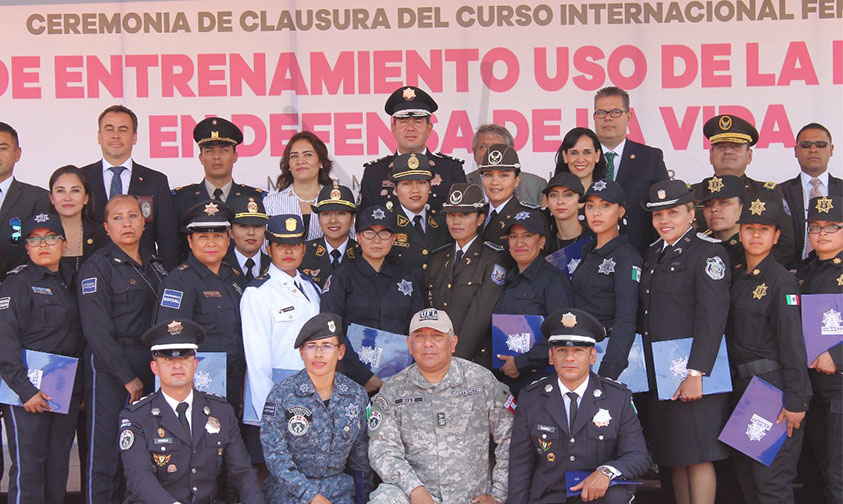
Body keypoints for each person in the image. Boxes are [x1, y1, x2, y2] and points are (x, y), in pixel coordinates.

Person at [639, 180, 731, 504]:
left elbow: (712, 318)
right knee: (674, 456)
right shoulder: (653, 253)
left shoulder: (708, 253)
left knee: (698, 455)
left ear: (692, 213)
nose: (665, 220)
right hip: (663, 376)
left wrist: (696, 374)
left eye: (674, 212)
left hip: (693, 375)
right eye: (658, 214)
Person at [367, 308, 513, 504]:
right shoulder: (393, 390)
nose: (428, 343)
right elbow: (382, 449)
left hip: (471, 497)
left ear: (453, 343)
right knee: (384, 499)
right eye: (420, 336)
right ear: (410, 345)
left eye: (437, 335)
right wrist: (415, 489)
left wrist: (499, 495)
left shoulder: (482, 381)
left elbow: (510, 438)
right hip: (416, 496)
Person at [78, 195, 168, 504]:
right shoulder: (97, 268)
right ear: (106, 227)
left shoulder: (156, 265)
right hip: (111, 370)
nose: (127, 222)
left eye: (133, 216)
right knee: (104, 454)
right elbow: (96, 331)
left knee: (143, 455)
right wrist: (126, 377)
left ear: (144, 223)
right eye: (118, 218)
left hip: (152, 368)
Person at [508, 309, 650, 504]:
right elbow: (520, 464)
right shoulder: (531, 398)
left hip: (598, 496)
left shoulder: (617, 398)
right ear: (551, 356)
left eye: (578, 351)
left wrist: (606, 472)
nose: (569, 358)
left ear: (592, 356)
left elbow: (638, 456)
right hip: (549, 496)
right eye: (561, 351)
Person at [118, 319, 263, 504]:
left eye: (184, 358)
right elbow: (139, 478)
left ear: (195, 364)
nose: (177, 365)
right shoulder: (136, 417)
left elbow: (242, 472)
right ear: (155, 367)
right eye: (168, 359)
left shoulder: (221, 411)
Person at [726, 195, 811, 504]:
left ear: (776, 236)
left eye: (764, 229)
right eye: (749, 228)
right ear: (740, 232)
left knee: (770, 482)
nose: (756, 235)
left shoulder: (780, 282)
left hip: (772, 391)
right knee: (748, 480)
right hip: (742, 388)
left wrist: (796, 399)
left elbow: (793, 343)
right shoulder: (738, 277)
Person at [0, 212, 83, 503]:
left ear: (63, 242)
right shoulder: (17, 283)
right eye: (34, 239)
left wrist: (79, 389)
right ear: (26, 246)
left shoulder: (73, 281)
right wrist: (26, 391)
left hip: (64, 390)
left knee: (57, 468)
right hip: (27, 392)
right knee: (29, 470)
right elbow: (4, 341)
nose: (42, 244)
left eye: (50, 237)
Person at [260, 313, 371, 503]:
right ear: (301, 353)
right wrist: (311, 496)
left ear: (340, 352)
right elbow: (276, 458)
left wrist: (364, 497)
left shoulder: (356, 395)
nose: (319, 354)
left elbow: (361, 460)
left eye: (327, 346)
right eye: (312, 347)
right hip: (290, 492)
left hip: (339, 491)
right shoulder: (282, 394)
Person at [320, 205, 423, 391]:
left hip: (401, 381)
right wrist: (364, 377)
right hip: (351, 383)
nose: (377, 240)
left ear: (393, 239)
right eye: (369, 233)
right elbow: (332, 331)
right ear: (358, 237)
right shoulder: (341, 278)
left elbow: (417, 329)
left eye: (384, 234)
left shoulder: (407, 278)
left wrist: (406, 372)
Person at [156, 201, 246, 411]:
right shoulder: (179, 282)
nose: (211, 243)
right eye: (203, 237)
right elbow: (172, 341)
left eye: (218, 236)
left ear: (228, 238)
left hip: (236, 380)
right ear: (190, 241)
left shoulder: (233, 277)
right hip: (202, 381)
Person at [240, 214, 320, 425]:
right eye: (281, 244)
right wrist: (270, 412)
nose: (288, 251)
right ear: (268, 249)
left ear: (304, 248)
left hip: (313, 394)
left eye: (294, 244)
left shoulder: (312, 288)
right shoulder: (258, 293)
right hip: (277, 397)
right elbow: (257, 361)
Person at [80, 105, 179, 270]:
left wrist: (167, 283)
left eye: (123, 130)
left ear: (134, 137)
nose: (116, 135)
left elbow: (168, 241)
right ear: (99, 136)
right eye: (109, 129)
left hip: (143, 277)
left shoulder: (156, 181)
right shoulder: (81, 179)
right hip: (93, 274)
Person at [694, 114, 795, 268]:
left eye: (736, 147)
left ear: (749, 156)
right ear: (711, 155)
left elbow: (785, 245)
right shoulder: (692, 194)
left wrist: (752, 273)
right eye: (721, 147)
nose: (728, 151)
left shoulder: (768, 193)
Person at [493, 208, 575, 394]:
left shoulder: (553, 281)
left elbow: (563, 334)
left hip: (539, 385)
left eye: (527, 236)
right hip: (505, 382)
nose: (519, 243)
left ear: (542, 242)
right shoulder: (508, 278)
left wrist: (521, 363)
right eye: (513, 237)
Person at [425, 183, 506, 367]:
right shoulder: (437, 258)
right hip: (435, 360)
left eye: (464, 215)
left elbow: (479, 316)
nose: (456, 221)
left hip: (473, 362)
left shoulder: (493, 259)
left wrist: (454, 361)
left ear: (480, 219)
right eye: (451, 215)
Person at [796, 194, 843, 504]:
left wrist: (837, 356)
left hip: (839, 386)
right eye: (814, 227)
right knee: (812, 471)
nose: (821, 234)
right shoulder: (804, 270)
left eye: (832, 226)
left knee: (838, 474)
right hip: (807, 386)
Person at [573, 180, 643, 381]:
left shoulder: (627, 257)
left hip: (607, 358)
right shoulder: (586, 251)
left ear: (620, 211)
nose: (596, 213)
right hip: (579, 355)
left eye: (605, 206)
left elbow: (626, 319)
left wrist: (609, 372)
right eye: (590, 206)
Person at [358, 85, 466, 211]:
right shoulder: (374, 173)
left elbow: (463, 219)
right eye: (403, 122)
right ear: (393, 128)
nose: (410, 128)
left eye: (417, 121)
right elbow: (364, 224)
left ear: (429, 128)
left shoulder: (451, 170)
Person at [591, 86, 670, 256]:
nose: (608, 118)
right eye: (601, 113)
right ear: (594, 117)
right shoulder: (583, 158)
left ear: (628, 116)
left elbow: (664, 209)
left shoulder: (650, 158)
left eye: (615, 112)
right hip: (590, 256)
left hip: (638, 254)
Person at [173, 117, 265, 262]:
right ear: (200, 157)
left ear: (235, 156)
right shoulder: (180, 200)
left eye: (224, 150)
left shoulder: (255, 199)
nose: (216, 157)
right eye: (209, 151)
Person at [782, 123, 841, 265]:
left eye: (820, 144)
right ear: (796, 150)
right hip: (791, 272)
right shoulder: (779, 192)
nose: (813, 149)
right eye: (806, 145)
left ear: (831, 149)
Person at [385, 152, 451, 272]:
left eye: (421, 183)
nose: (415, 190)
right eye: (407, 184)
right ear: (395, 189)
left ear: (430, 187)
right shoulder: (386, 225)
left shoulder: (443, 223)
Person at [263, 131, 335, 240]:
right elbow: (264, 249)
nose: (300, 161)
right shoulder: (271, 204)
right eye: (294, 156)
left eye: (308, 155)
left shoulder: (335, 201)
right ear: (288, 164)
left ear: (321, 162)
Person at [0, 121, 50, 276]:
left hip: (20, 289)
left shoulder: (38, 198)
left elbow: (41, 248)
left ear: (17, 153)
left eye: (3, 148)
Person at [465, 124, 547, 205]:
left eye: (496, 147)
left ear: (510, 153)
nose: (490, 152)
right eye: (483, 147)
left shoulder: (535, 186)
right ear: (474, 152)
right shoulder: (462, 182)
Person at [48, 165, 108, 272]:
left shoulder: (102, 235)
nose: (67, 198)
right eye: (60, 191)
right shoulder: (40, 236)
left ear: (86, 198)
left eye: (75, 191)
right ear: (52, 198)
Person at [479, 144, 540, 247]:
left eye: (503, 175)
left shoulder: (530, 217)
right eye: (488, 175)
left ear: (516, 181)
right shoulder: (475, 214)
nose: (494, 182)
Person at [300, 184, 359, 288]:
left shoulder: (362, 254)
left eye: (341, 214)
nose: (333, 220)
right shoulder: (303, 253)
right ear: (318, 219)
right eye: (326, 214)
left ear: (353, 218)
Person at [700, 174, 747, 276]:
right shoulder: (698, 247)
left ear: (742, 208)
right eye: (708, 205)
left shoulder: (752, 248)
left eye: (724, 202)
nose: (714, 209)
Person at [225, 196, 270, 289]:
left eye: (257, 226)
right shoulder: (220, 266)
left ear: (265, 230)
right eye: (243, 226)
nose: (251, 233)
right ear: (231, 232)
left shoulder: (274, 266)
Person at [542, 172, 589, 255]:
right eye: (553, 195)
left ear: (581, 202)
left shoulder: (594, 239)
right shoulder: (544, 243)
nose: (560, 201)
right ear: (547, 202)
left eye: (568, 195)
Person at [554, 127, 608, 194]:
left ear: (597, 155)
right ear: (565, 156)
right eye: (574, 153)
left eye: (587, 152)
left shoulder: (610, 195)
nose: (580, 160)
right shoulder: (553, 195)